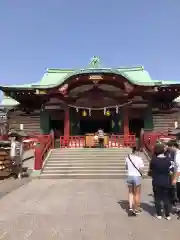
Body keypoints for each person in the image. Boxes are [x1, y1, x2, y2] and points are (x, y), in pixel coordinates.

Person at [150, 143, 174, 220]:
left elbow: (150, 170)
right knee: (166, 198)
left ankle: (159, 214)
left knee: (157, 198)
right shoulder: (168, 160)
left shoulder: (154, 160)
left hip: (156, 180)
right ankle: (167, 215)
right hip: (166, 181)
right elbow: (171, 171)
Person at [125, 146, 144, 216]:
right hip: (137, 176)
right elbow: (141, 169)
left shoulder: (127, 158)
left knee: (130, 193)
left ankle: (130, 208)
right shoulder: (139, 159)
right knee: (137, 193)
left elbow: (126, 167)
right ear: (137, 152)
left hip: (129, 176)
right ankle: (136, 208)